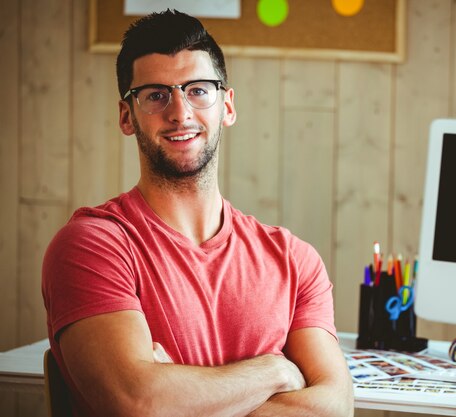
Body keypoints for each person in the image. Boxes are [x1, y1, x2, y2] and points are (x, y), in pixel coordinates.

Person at [42, 9, 353, 417]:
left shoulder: (295, 261)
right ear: (126, 117)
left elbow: (334, 407)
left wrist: (183, 398)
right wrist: (275, 371)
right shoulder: (93, 246)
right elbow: (137, 402)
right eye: (155, 95)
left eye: (198, 90)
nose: (179, 112)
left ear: (227, 105)